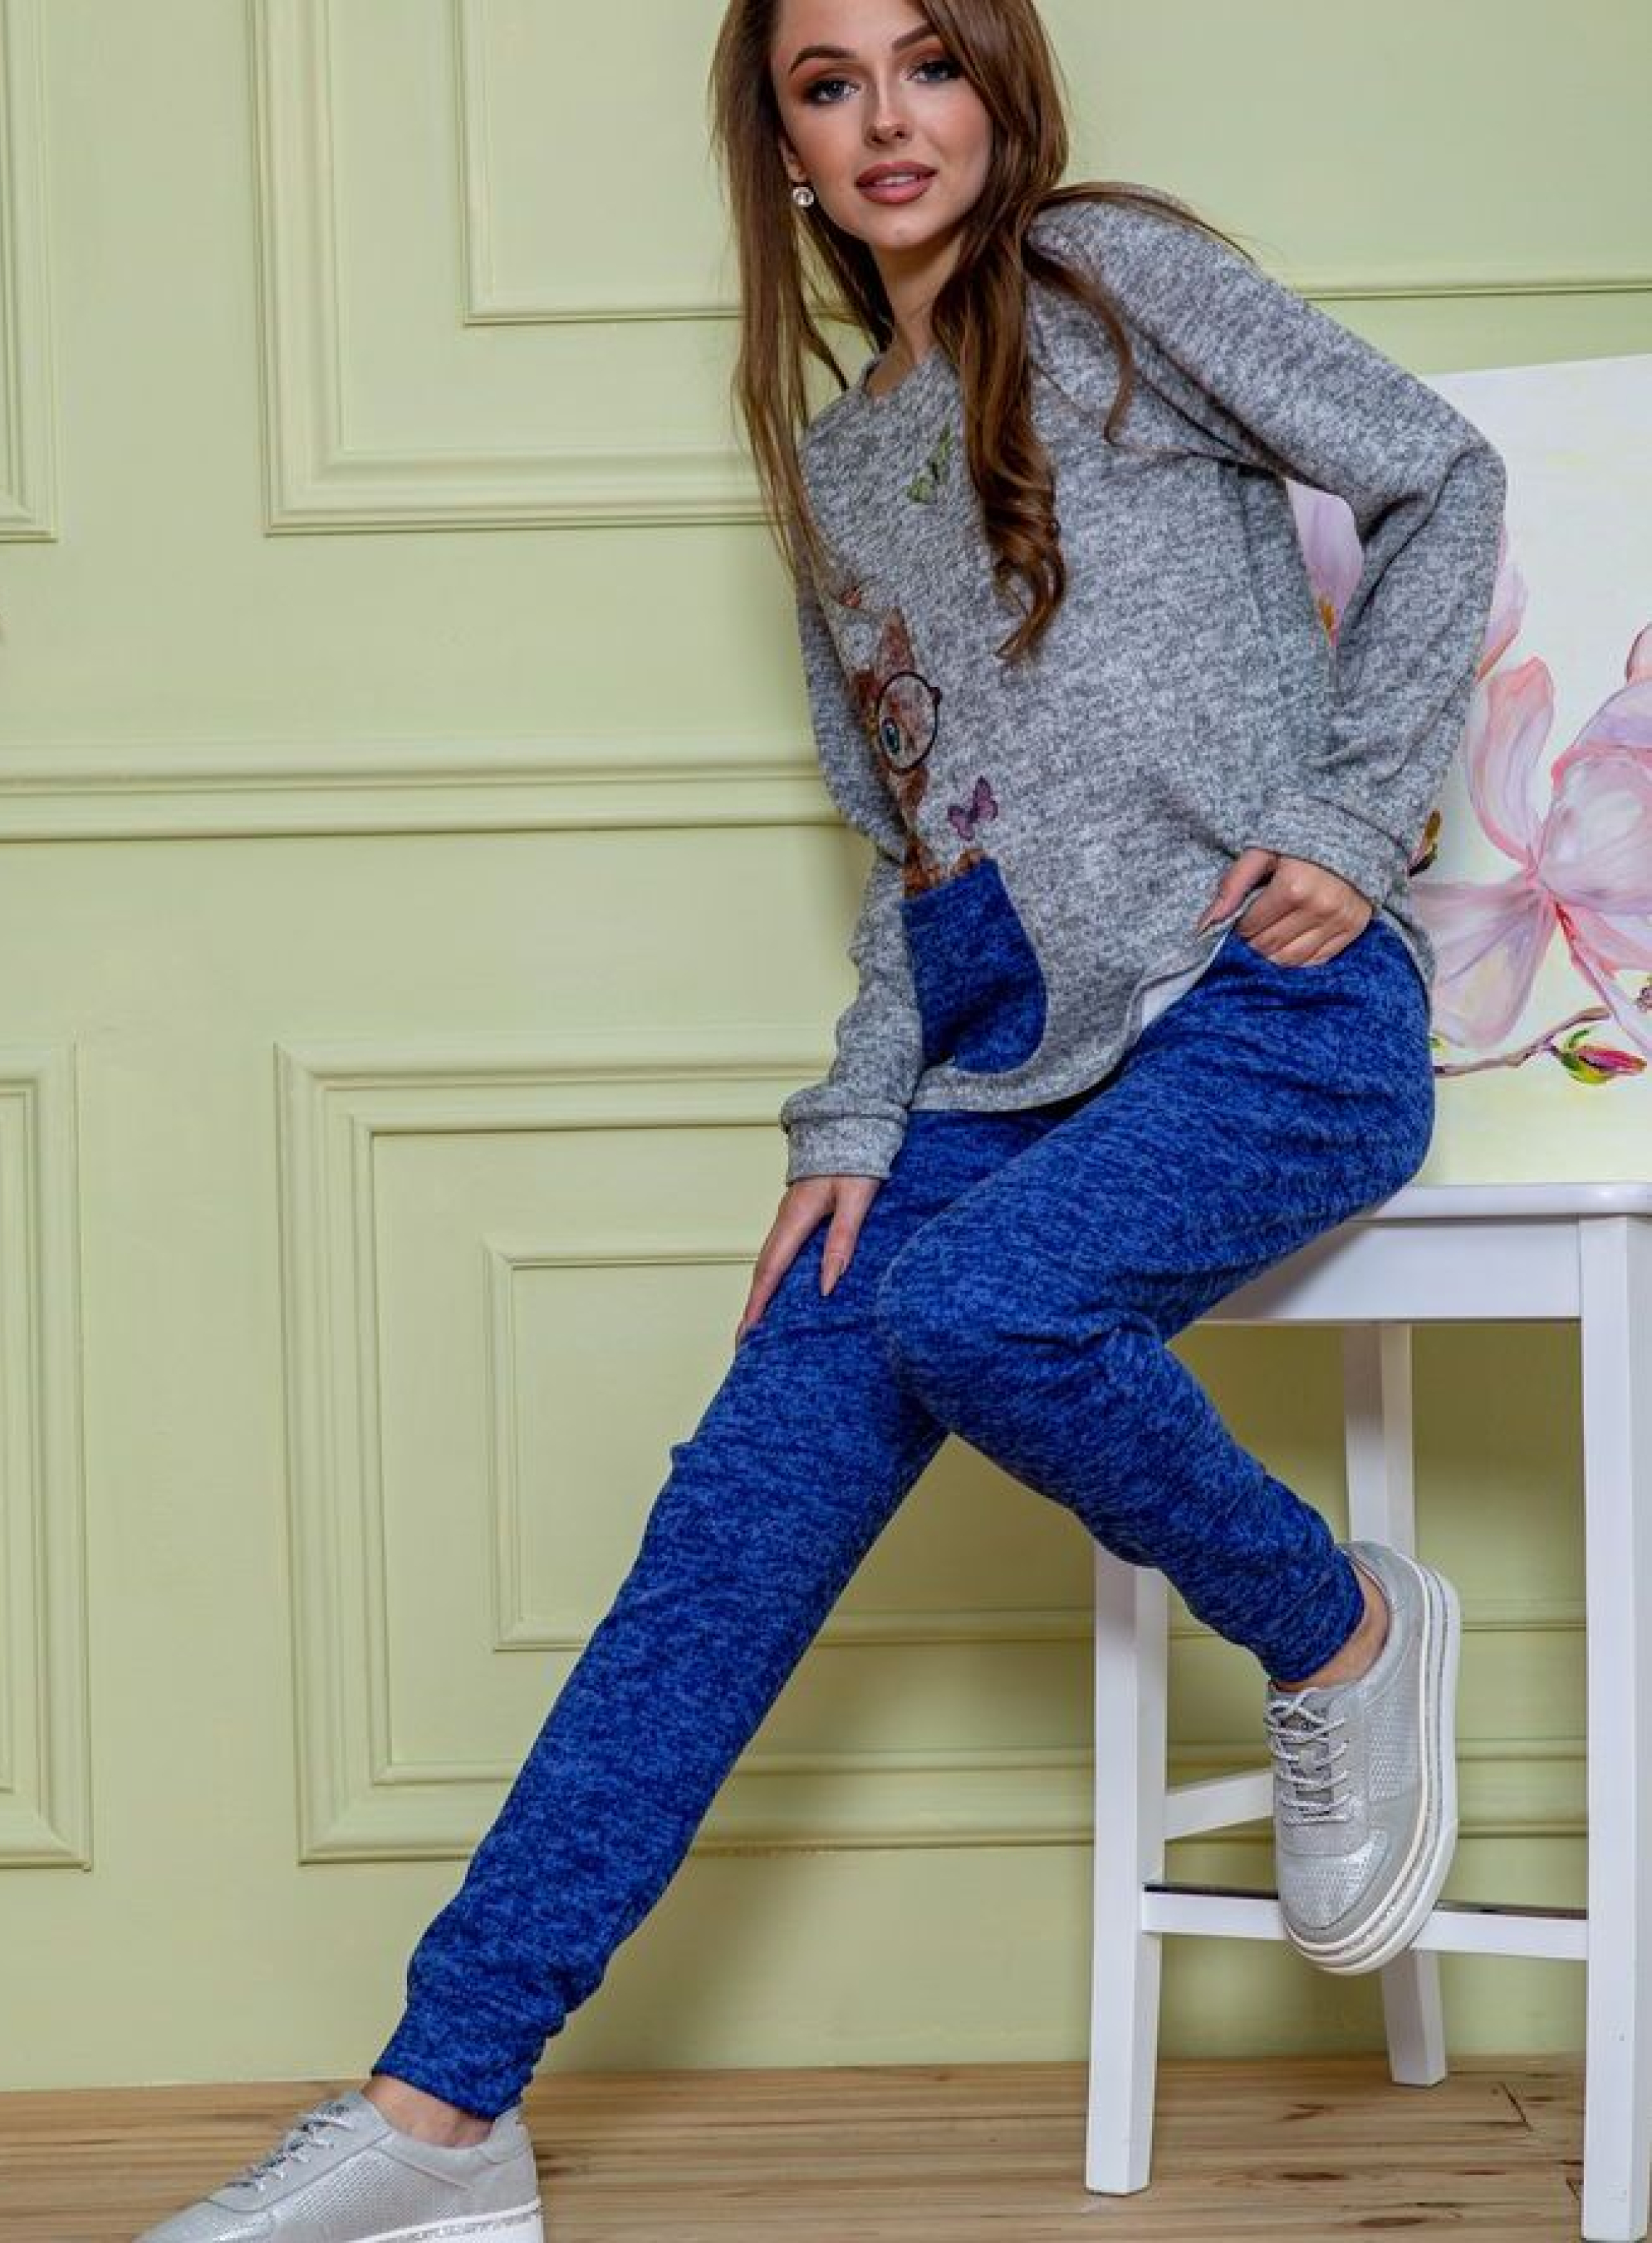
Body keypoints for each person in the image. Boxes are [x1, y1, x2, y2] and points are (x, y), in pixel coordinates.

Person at [134, 1, 1506, 2236]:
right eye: (826, 82)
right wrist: (852, 1118)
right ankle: (441, 2115)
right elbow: (916, 848)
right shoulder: (843, 464)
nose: (885, 119)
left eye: (927, 63)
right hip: (1001, 1068)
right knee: (729, 1523)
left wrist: (1355, 816)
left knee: (980, 1310)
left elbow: (1442, 473)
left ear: (1001, 88)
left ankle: (1336, 1625)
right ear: (778, 142)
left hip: (1270, 1020)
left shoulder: (1119, 279)